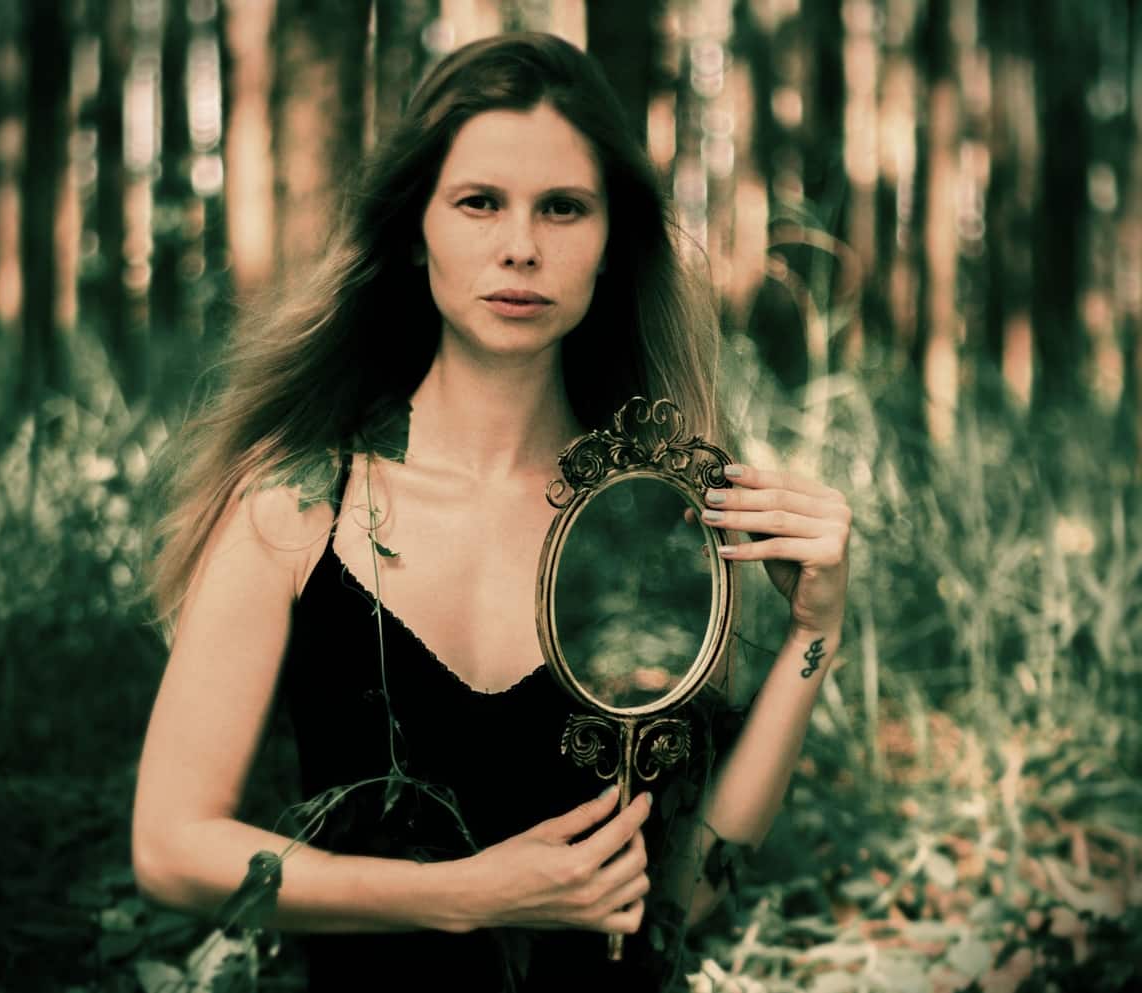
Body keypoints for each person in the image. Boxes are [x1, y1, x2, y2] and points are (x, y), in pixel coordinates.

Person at [132, 31, 851, 992]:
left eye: (564, 208)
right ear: (414, 229)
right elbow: (172, 847)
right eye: (479, 203)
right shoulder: (298, 506)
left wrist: (816, 630)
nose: (521, 246)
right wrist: (463, 893)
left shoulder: (657, 523)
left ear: (611, 243)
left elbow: (676, 897)